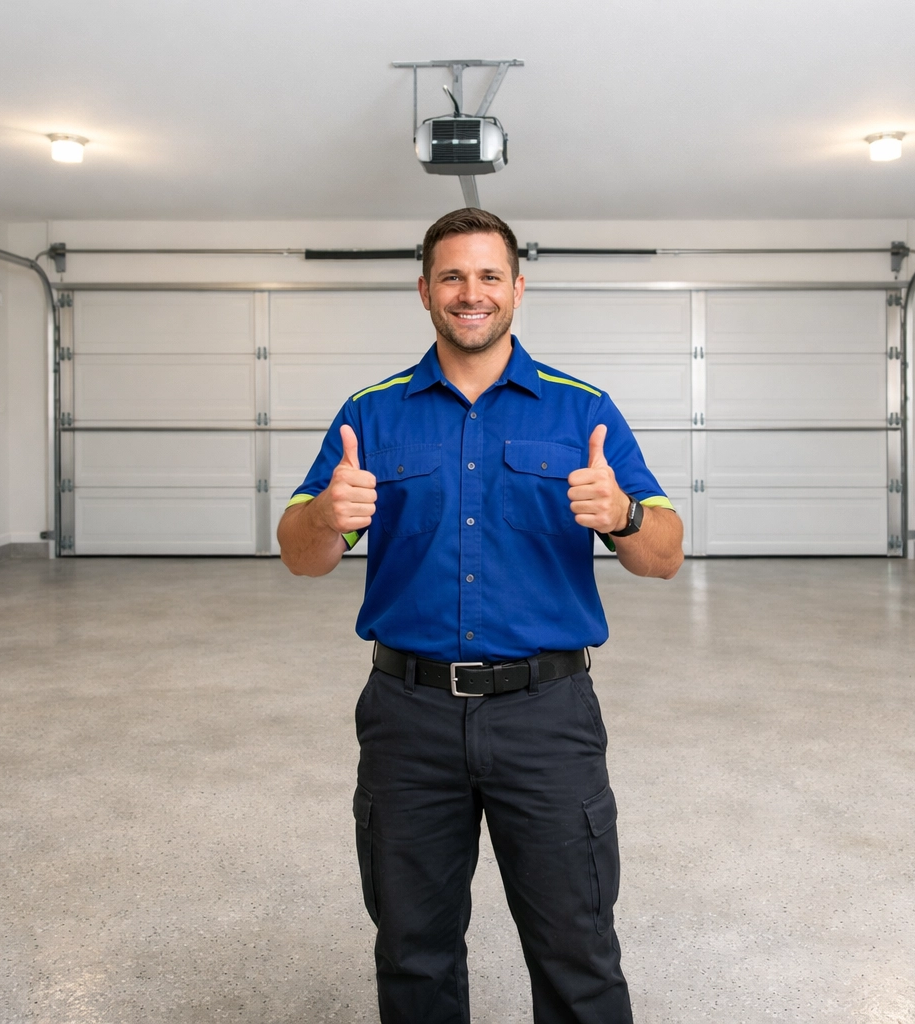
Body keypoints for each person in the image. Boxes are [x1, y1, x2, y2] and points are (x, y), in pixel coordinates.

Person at [277, 208, 683, 1024]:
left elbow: (664, 554)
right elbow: (299, 552)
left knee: (577, 947)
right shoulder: (372, 413)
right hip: (408, 717)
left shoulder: (581, 410)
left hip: (548, 717)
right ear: (425, 290)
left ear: (518, 289)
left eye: (489, 275)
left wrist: (623, 517)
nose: (472, 293)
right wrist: (328, 513)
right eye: (453, 276)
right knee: (413, 949)